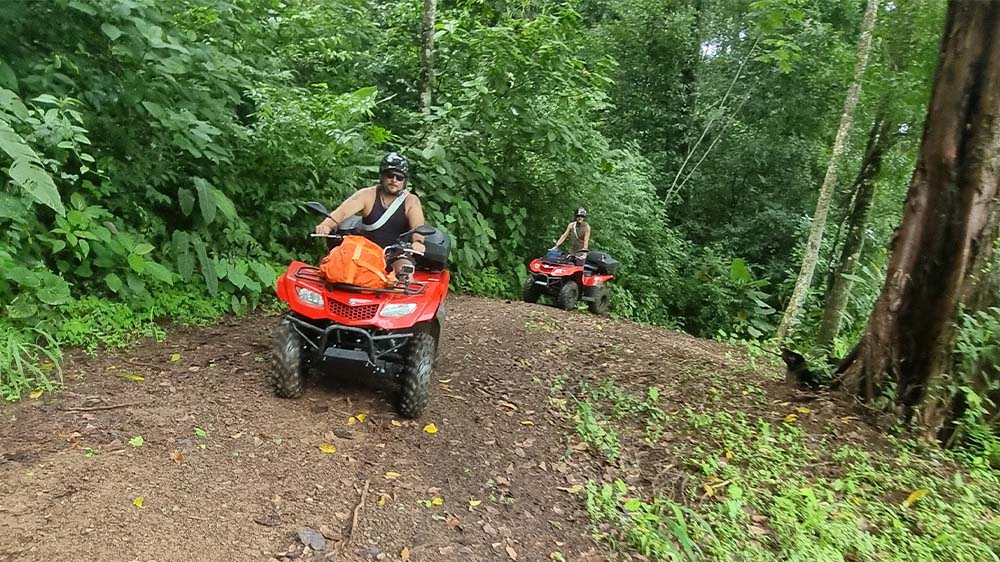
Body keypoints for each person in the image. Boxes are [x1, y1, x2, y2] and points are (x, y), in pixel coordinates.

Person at [314, 152, 426, 274]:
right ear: (382, 176)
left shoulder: (411, 201)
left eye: (399, 177)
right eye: (390, 175)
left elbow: (418, 228)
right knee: (335, 266)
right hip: (364, 251)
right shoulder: (368, 195)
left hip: (396, 253)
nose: (394, 180)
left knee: (405, 270)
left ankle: (406, 289)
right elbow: (343, 211)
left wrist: (418, 242)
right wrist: (326, 225)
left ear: (404, 181)